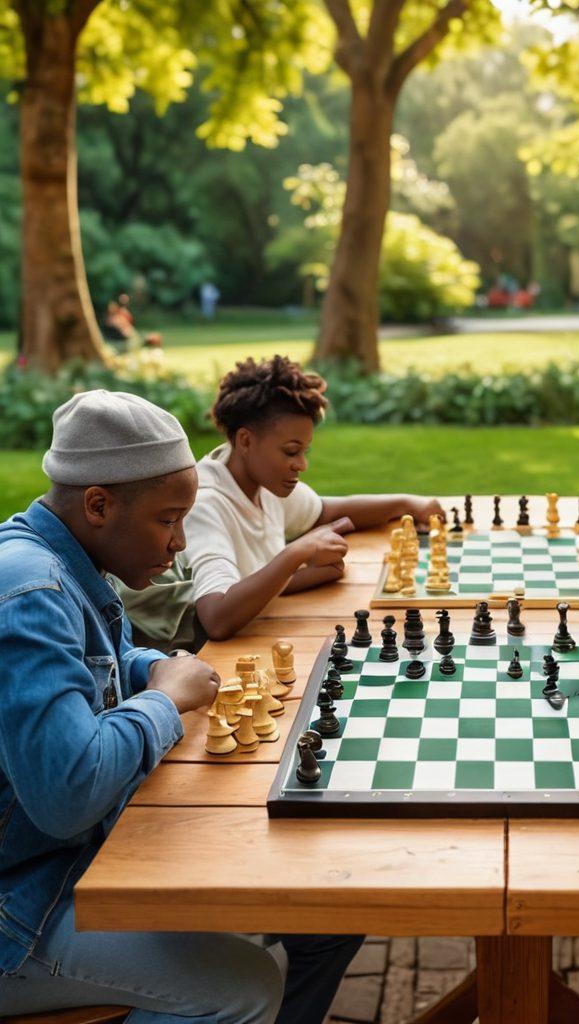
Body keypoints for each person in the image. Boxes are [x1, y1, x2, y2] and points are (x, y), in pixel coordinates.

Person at [0, 390, 362, 1022]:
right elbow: (67, 794)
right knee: (243, 989)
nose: (177, 547)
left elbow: (101, 665)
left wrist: (153, 666)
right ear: (98, 504)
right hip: (21, 907)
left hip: (59, 865)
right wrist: (165, 702)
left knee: (308, 914)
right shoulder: (32, 592)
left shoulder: (62, 557)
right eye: (169, 521)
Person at [120, 356, 443, 646]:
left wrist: (407, 503)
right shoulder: (206, 505)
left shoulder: (263, 483)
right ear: (246, 440)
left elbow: (326, 511)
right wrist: (295, 555)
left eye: (304, 452)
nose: (301, 465)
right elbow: (215, 618)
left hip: (258, 629)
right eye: (291, 452)